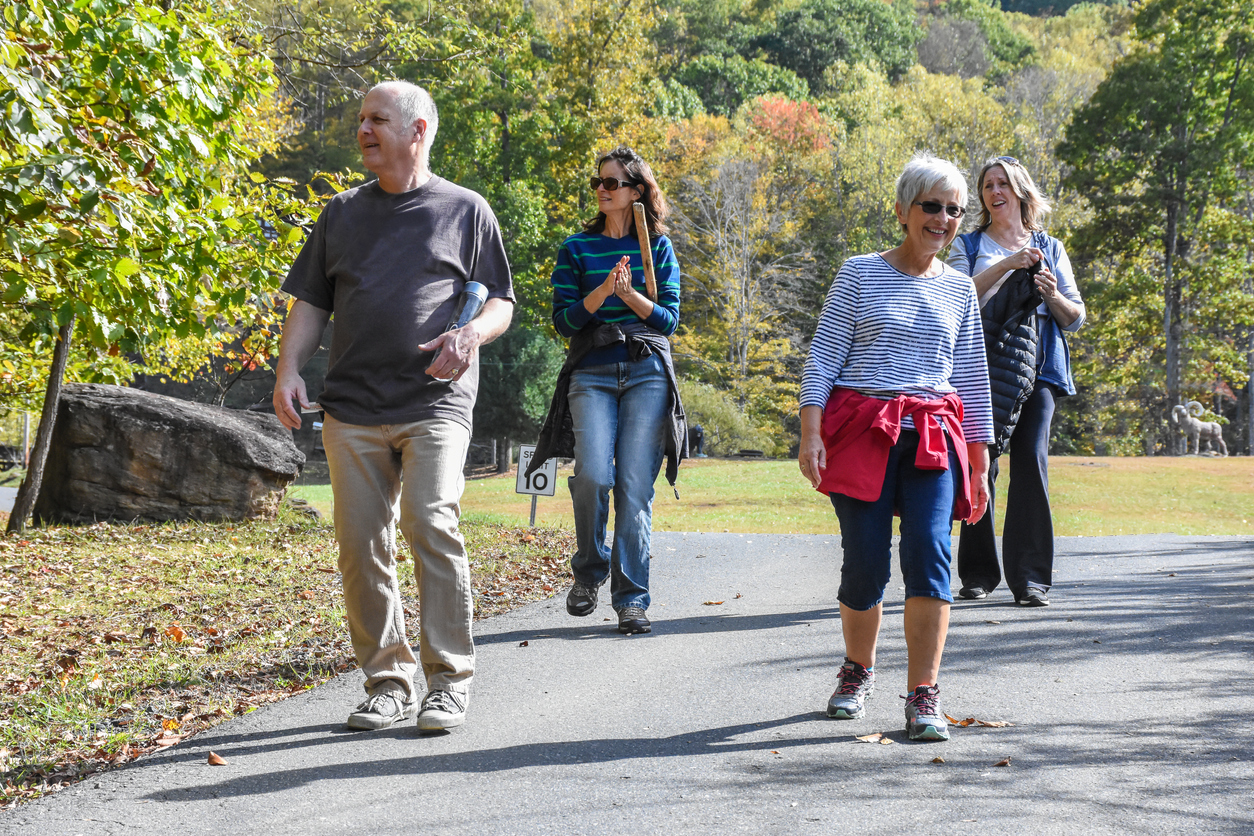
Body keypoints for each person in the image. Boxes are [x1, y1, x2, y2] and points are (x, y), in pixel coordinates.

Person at [272, 81, 514, 732]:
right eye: (359, 120)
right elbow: (311, 303)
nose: (363, 130)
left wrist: (470, 335)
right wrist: (289, 368)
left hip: (436, 400)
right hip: (352, 406)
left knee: (430, 522)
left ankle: (448, 682)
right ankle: (387, 681)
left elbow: (501, 302)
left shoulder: (467, 210)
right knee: (360, 545)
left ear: (420, 129)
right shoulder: (342, 214)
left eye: (377, 119)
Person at [797, 152, 992, 742]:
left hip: (933, 435)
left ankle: (924, 693)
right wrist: (810, 432)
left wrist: (980, 465)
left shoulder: (959, 290)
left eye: (955, 210)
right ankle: (858, 671)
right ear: (904, 210)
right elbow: (825, 355)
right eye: (932, 206)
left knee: (930, 556)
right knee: (864, 561)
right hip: (861, 430)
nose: (943, 218)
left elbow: (973, 381)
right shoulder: (859, 272)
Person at [528, 146, 685, 636]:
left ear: (636, 192)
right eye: (599, 181)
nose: (602, 189)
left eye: (613, 183)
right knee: (593, 476)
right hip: (591, 372)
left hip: (647, 373)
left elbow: (669, 321)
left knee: (635, 491)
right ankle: (589, 572)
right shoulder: (576, 248)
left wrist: (629, 294)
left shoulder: (657, 247)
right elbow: (564, 321)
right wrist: (601, 294)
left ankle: (632, 600)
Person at [950, 156, 1085, 607]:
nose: (993, 190)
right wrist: (1008, 264)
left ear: (1021, 191)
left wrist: (1051, 294)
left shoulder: (1051, 246)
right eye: (987, 184)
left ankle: (1030, 580)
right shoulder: (969, 245)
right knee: (980, 460)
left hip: (1040, 368)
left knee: (1030, 458)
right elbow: (955, 295)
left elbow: (1075, 318)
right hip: (979, 367)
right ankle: (977, 574)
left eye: (1002, 182)